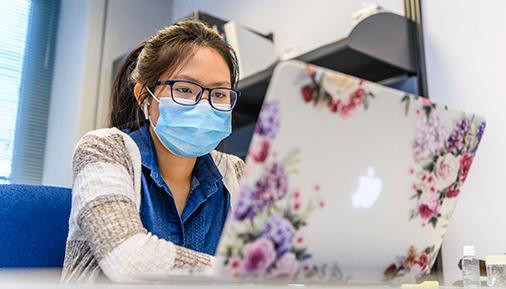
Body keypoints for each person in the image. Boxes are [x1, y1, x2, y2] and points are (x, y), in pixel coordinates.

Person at [61, 20, 245, 283]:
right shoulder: (103, 149)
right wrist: (242, 273)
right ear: (144, 96)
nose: (204, 105)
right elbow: (128, 259)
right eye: (184, 89)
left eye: (219, 94)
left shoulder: (236, 173)